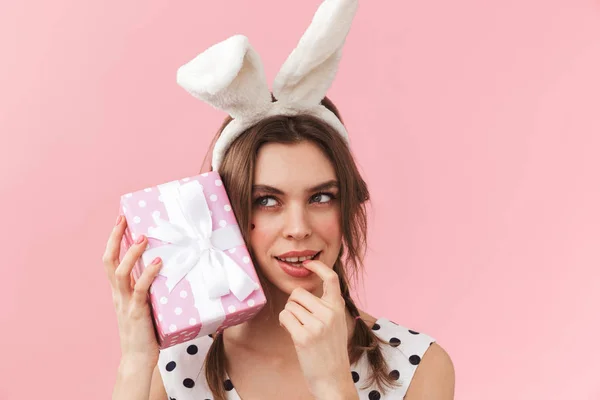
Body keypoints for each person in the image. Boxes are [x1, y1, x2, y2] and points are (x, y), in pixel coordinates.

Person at [104, 1, 455, 399]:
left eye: (322, 197)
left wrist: (332, 383)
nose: (298, 228)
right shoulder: (173, 367)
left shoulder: (417, 366)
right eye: (267, 201)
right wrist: (134, 360)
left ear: (348, 206)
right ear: (227, 212)